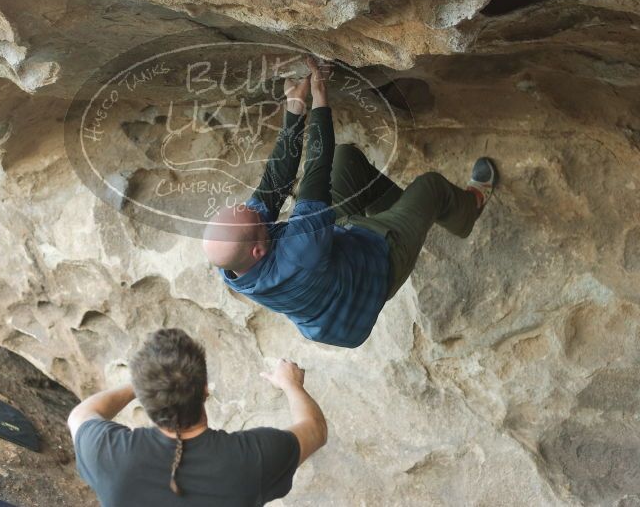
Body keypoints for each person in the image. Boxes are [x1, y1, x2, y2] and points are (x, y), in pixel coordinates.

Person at [202, 56, 498, 348]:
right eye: (255, 219)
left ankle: (405, 219)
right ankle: (468, 212)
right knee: (431, 187)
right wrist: (319, 96)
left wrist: (295, 106)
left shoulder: (231, 263)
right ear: (258, 250)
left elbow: (274, 183)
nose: (254, 210)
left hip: (335, 254)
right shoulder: (299, 251)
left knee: (347, 159)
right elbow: (316, 170)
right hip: (371, 277)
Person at [67, 328, 327, 506]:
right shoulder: (251, 458)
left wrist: (145, 385)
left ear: (146, 399)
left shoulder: (107, 454)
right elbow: (315, 429)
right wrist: (292, 385)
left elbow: (82, 414)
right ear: (205, 389)